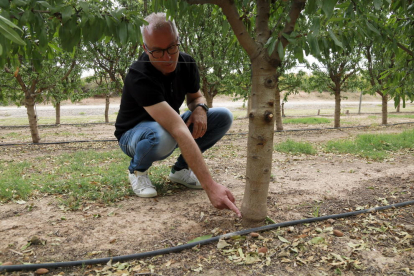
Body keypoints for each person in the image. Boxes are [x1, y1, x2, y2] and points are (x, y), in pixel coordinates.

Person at [114, 12, 241, 217]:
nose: (167, 58)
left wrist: (200, 108)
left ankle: (180, 171)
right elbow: (178, 129)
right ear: (146, 48)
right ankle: (137, 170)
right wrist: (211, 186)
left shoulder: (186, 63)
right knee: (162, 135)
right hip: (133, 135)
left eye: (172, 47)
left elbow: (196, 97)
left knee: (222, 116)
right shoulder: (139, 75)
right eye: (157, 51)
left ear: (178, 40)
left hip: (168, 126)